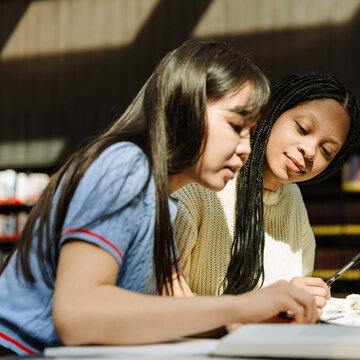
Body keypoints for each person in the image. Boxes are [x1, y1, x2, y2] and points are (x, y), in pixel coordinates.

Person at [0, 40, 319, 356]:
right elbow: (77, 315)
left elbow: (166, 312)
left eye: (250, 133)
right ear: (186, 106)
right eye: (236, 126)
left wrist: (245, 318)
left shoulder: (163, 201)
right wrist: (240, 306)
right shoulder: (125, 166)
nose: (246, 148)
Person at [173, 72, 360, 324]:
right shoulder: (202, 184)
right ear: (272, 111)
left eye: (326, 150)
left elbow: (290, 303)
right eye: (302, 129)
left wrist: (359, 307)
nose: (310, 150)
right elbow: (162, 303)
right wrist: (264, 309)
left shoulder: (292, 197)